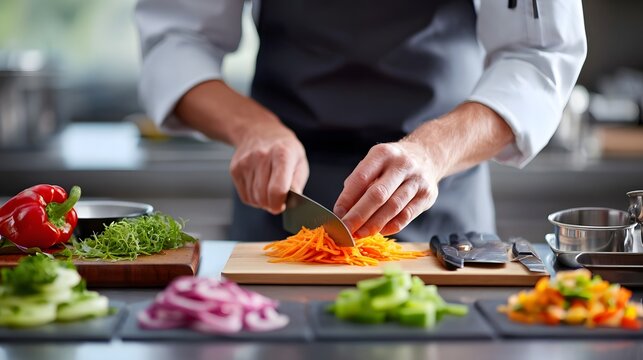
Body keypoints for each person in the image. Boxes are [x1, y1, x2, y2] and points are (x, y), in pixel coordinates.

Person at [134, 0, 587, 242]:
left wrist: (432, 152)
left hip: (441, 202)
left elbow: (538, 54)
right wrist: (252, 128)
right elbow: (176, 41)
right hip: (282, 199)